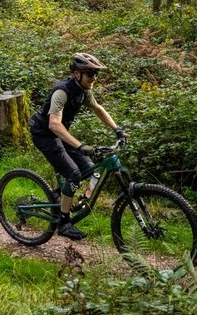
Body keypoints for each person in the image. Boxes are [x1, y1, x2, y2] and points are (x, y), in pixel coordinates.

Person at [28, 53, 126, 240]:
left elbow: (97, 108)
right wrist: (81, 146)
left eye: (95, 74)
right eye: (90, 74)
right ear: (76, 74)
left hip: (60, 133)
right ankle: (64, 223)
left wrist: (117, 129)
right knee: (73, 174)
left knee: (88, 169)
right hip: (44, 135)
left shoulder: (83, 91)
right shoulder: (62, 92)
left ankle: (59, 194)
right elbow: (54, 125)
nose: (94, 78)